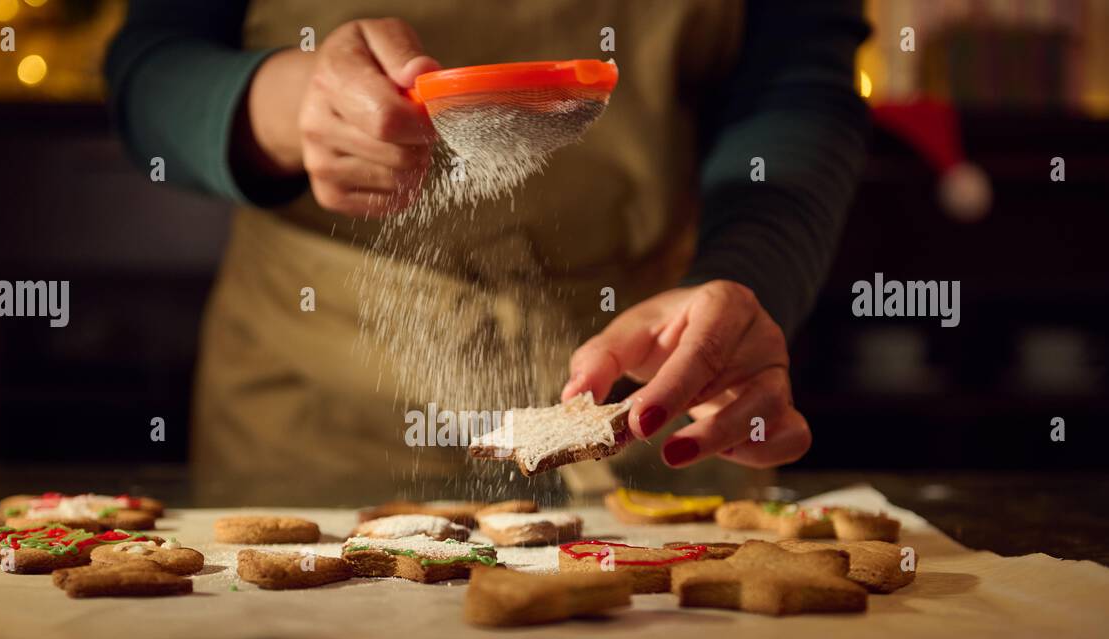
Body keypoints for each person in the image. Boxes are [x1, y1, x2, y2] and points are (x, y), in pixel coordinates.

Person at [105, 0, 869, 484]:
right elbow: (150, 71)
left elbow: (795, 85)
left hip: (651, 380)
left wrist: (742, 281)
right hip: (315, 419)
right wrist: (290, 105)